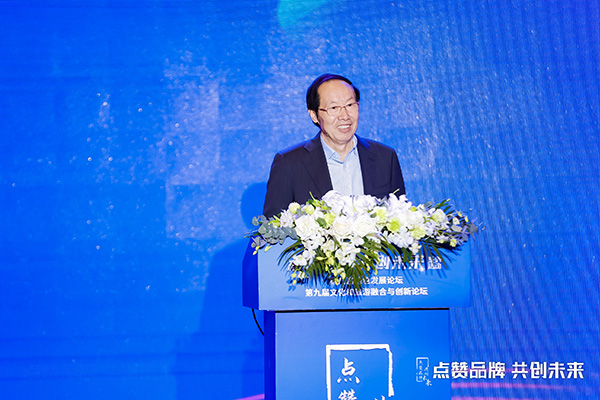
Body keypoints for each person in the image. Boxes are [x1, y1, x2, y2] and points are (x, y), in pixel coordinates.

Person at [263, 73, 405, 217]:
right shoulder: (289, 163)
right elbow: (273, 226)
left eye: (350, 105)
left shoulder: (385, 157)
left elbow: (400, 218)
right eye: (334, 108)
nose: (344, 116)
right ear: (314, 115)